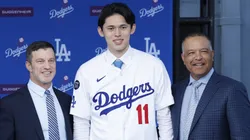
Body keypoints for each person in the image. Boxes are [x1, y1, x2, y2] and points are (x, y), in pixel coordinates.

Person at [70, 2, 174, 140]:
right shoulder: (86, 71)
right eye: (111, 28)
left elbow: (164, 116)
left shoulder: (154, 65)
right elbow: (81, 122)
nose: (117, 34)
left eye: (123, 27)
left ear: (132, 28)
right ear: (101, 31)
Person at [170, 33, 250, 140]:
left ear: (212, 55)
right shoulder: (175, 91)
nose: (198, 57)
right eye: (191, 53)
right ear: (183, 58)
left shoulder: (232, 89)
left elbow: (242, 136)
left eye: (203, 51)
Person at [0, 41, 73, 140]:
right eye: (40, 61)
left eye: (51, 60)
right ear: (29, 66)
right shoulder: (9, 105)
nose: (47, 66)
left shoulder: (67, 101)